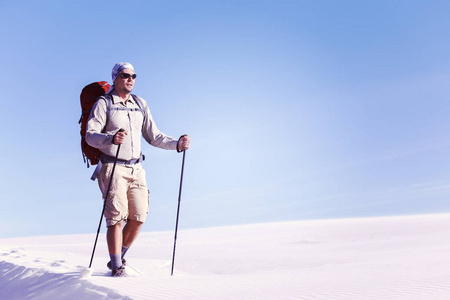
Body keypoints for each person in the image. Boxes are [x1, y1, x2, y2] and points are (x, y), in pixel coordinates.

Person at [86, 62, 190, 277]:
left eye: (133, 75)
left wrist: (177, 144)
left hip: (136, 168)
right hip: (111, 166)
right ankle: (117, 266)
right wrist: (110, 138)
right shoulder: (104, 103)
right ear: (115, 77)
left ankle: (117, 256)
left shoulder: (140, 104)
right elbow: (91, 134)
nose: (130, 79)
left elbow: (154, 136)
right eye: (125, 75)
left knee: (139, 215)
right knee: (116, 217)